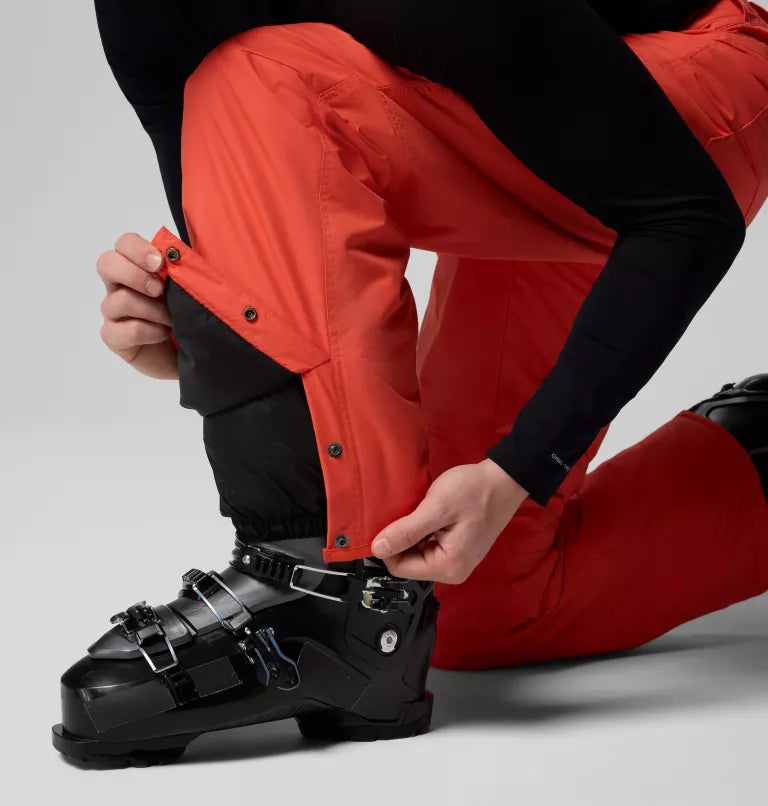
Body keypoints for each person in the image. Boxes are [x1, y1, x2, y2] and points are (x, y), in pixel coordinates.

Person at [52, 0, 768, 767]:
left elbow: (685, 215)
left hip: (673, 105)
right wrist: (196, 336)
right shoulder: (146, 19)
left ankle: (336, 596)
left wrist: (517, 469)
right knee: (477, 600)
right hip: (525, 88)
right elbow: (257, 266)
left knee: (260, 77)